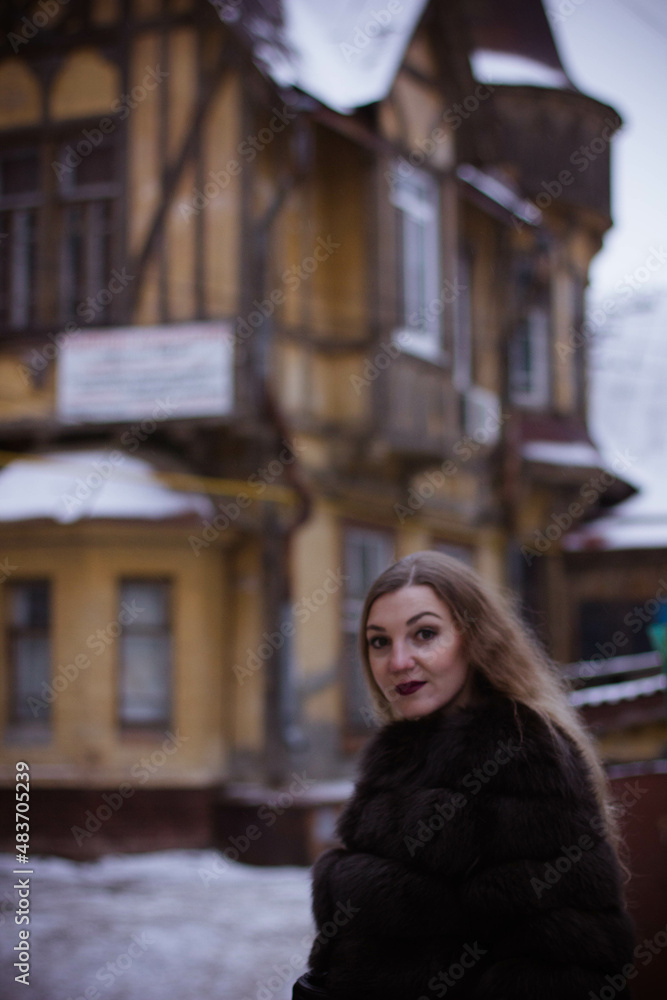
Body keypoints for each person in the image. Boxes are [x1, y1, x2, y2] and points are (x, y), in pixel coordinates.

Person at [294, 550, 637, 1000]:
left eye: (425, 634)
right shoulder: (399, 756)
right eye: (380, 641)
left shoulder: (524, 756)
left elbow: (568, 969)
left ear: (476, 639)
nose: (398, 661)